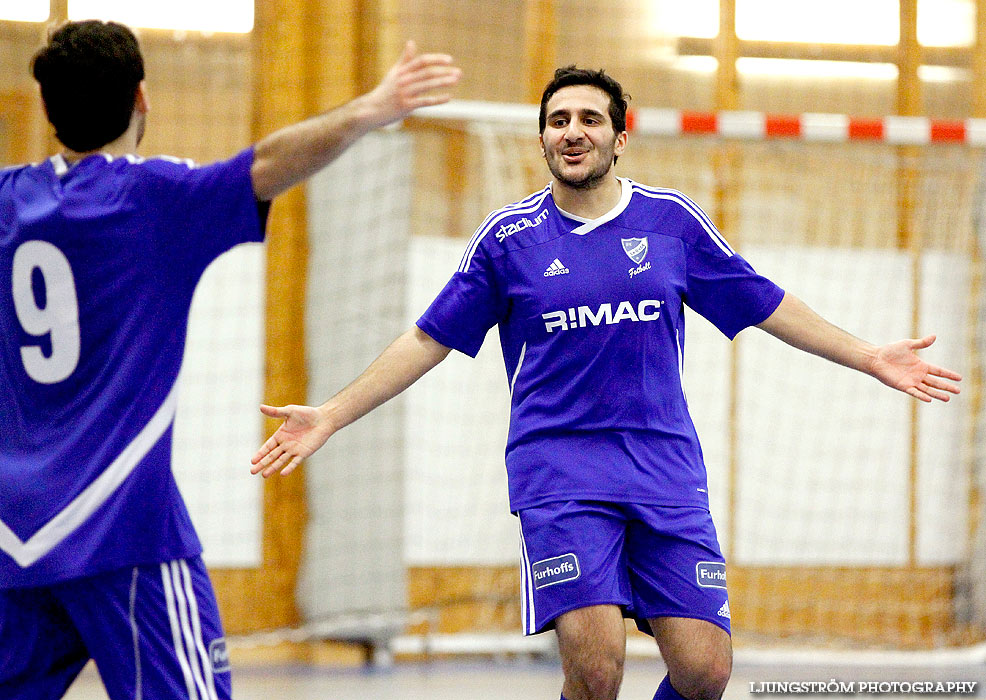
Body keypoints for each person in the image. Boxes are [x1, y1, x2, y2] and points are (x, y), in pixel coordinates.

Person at [250, 67, 962, 700]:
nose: (572, 131)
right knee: (597, 672)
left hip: (664, 471)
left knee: (705, 673)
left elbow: (764, 300)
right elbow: (427, 339)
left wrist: (868, 354)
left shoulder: (671, 223)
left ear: (621, 137)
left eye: (589, 118)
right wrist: (334, 413)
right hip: (559, 474)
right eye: (558, 120)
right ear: (542, 141)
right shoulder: (508, 240)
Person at [0, 19, 460, 700]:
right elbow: (270, 164)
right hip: (124, 529)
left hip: (14, 537)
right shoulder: (154, 198)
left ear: (45, 108)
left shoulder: (9, 200)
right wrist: (373, 108)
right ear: (143, 98)